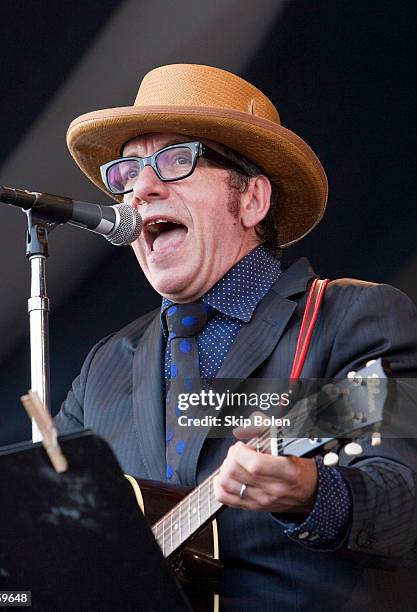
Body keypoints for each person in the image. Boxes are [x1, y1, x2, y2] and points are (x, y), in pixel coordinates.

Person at [55, 64, 417, 611]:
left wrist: (313, 494)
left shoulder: (352, 316)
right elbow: (46, 530)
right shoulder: (104, 366)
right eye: (127, 172)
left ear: (251, 200)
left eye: (177, 160)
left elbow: (405, 503)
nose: (141, 190)